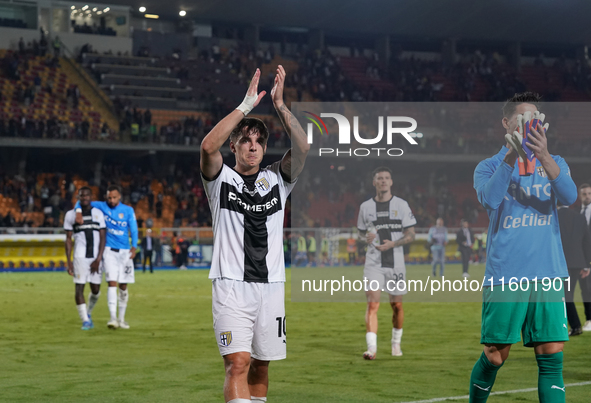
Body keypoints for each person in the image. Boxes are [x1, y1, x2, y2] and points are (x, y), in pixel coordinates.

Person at [200, 66, 309, 403]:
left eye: (259, 141)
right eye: (245, 140)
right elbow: (207, 147)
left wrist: (280, 105)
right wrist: (246, 106)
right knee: (238, 363)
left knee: (261, 366)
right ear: (233, 145)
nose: (253, 145)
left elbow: (304, 148)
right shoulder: (220, 179)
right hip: (231, 285)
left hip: (271, 285)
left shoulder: (278, 179)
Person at [470, 92, 577, 403]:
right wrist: (510, 157)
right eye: (522, 118)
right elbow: (490, 199)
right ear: (507, 123)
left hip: (548, 272)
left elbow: (569, 196)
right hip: (506, 274)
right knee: (494, 356)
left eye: (534, 119)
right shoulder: (488, 166)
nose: (528, 124)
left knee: (552, 357)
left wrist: (542, 156)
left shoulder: (555, 162)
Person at [357, 167, 416, 360]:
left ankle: (395, 343)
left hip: (396, 264)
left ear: (391, 182)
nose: (383, 181)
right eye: (379, 178)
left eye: (386, 178)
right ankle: (371, 348)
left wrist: (394, 243)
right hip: (373, 263)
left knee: (396, 305)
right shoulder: (365, 207)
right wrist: (364, 237)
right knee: (372, 304)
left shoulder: (402, 205)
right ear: (374, 182)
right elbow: (359, 233)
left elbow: (411, 234)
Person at [75, 185, 138, 330]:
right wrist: (78, 211)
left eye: (114, 197)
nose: (111, 200)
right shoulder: (101, 206)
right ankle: (113, 318)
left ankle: (122, 319)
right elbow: (81, 201)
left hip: (125, 252)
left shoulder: (128, 210)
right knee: (112, 283)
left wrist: (134, 247)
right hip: (109, 251)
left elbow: (133, 229)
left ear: (119, 197)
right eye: (109, 197)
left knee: (123, 286)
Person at [64, 187, 106, 330]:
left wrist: (99, 258)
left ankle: (88, 313)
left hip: (95, 257)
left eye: (87, 195)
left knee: (95, 290)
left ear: (91, 196)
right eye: (81, 196)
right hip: (80, 257)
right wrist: (69, 262)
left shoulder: (98, 213)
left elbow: (102, 237)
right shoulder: (70, 215)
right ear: (78, 197)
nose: (84, 198)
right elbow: (68, 239)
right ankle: (85, 321)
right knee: (79, 289)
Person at [557, 203, 591, 336]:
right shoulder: (579, 217)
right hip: (577, 262)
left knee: (565, 295)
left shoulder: (554, 216)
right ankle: (571, 326)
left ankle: (575, 326)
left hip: (560, 261)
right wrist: (587, 265)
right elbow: (587, 241)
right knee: (567, 294)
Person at [578, 183, 591, 331]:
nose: (587, 196)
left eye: (589, 193)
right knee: (585, 290)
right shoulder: (577, 213)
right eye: (584, 194)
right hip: (582, 260)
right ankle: (589, 319)